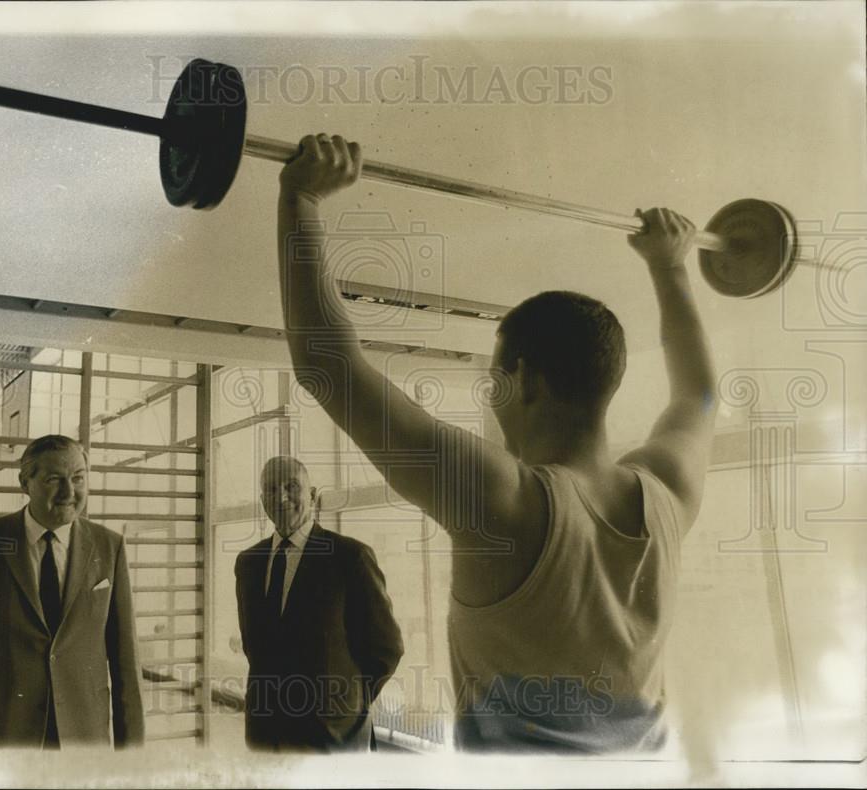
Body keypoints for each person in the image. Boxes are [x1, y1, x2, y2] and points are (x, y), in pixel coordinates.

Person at [273, 133, 717, 752]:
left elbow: (328, 366)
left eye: (495, 379)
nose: (491, 394)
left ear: (527, 379)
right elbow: (698, 394)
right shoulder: (669, 490)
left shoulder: (505, 501)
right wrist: (671, 267)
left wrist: (302, 197)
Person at [0, 434, 144, 749]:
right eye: (55, 480)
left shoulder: (109, 546)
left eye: (79, 478)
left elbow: (126, 661)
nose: (70, 492)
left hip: (81, 738)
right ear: (25, 483)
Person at [234, 455, 404, 752]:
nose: (282, 496)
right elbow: (255, 648)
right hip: (265, 735)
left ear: (312, 495)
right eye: (271, 489)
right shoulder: (248, 563)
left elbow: (387, 649)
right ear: (262, 501)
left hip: (332, 738)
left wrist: (343, 703)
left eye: (291, 486)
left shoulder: (350, 557)